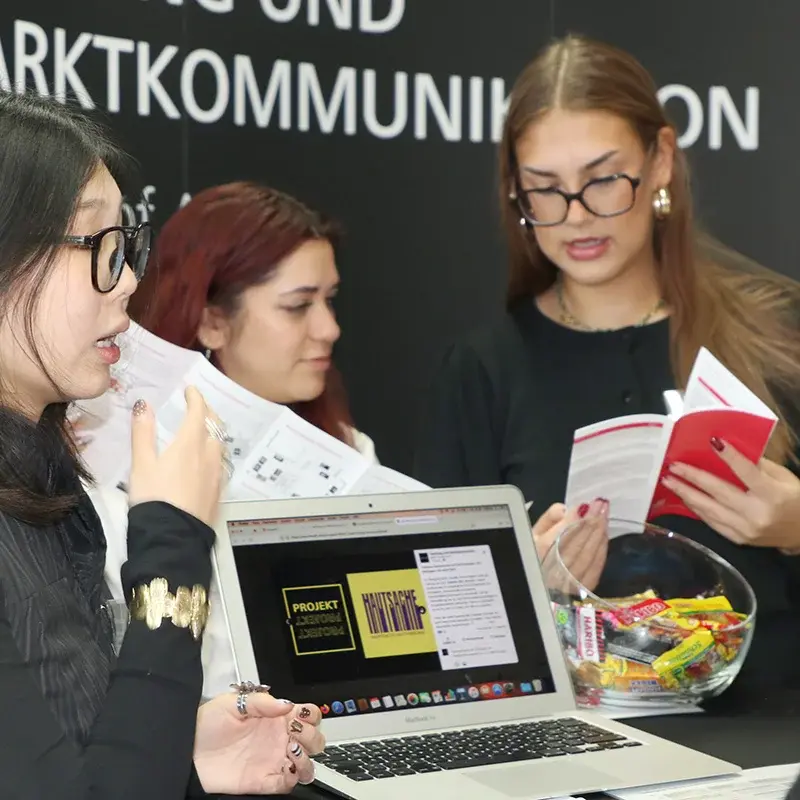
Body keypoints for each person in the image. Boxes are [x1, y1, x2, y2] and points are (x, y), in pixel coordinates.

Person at [413, 34, 800, 687]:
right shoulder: (482, 370)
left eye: (603, 181)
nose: (578, 217)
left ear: (661, 162)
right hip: (575, 757)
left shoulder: (777, 329)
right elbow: (440, 626)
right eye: (545, 190)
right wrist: (527, 589)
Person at [0, 91, 323, 798]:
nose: (129, 284)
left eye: (129, 247)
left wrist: (188, 765)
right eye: (101, 249)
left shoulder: (44, 481)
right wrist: (174, 550)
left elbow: (72, 772)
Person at [87, 182, 375, 699]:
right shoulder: (121, 470)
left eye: (329, 300)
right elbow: (145, 656)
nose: (329, 328)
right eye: (298, 306)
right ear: (212, 322)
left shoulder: (349, 452)